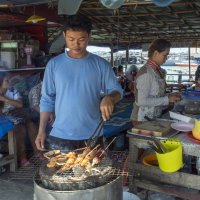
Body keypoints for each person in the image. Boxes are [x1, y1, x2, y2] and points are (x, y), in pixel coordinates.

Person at [35, 15, 123, 152]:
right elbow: (46, 99)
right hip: (60, 135)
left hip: (92, 134)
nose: (76, 44)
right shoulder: (54, 64)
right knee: (60, 173)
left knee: (95, 172)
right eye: (71, 39)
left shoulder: (101, 64)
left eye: (81, 40)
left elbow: (117, 90)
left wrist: (110, 97)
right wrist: (41, 131)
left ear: (89, 36)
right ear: (64, 35)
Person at [130, 39, 182, 126]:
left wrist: (170, 96)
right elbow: (141, 101)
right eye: (165, 55)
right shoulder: (146, 73)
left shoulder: (156, 71)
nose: (166, 58)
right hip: (142, 119)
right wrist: (167, 99)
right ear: (155, 53)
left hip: (152, 117)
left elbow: (155, 94)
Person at [0, 72, 38, 166]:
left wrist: (4, 99)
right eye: (6, 80)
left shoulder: (12, 90)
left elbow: (20, 104)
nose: (9, 81)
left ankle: (38, 153)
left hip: (16, 113)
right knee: (20, 129)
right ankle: (22, 158)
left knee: (31, 125)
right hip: (4, 117)